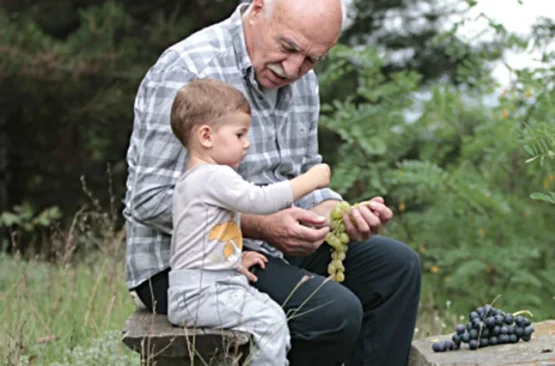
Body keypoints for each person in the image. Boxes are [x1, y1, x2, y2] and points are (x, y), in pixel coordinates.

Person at [122, 0, 422, 365]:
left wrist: (340, 214)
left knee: (398, 268)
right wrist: (262, 225)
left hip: (271, 248)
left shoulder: (302, 81)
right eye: (289, 47)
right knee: (333, 313)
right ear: (259, 8)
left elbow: (304, 172)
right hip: (189, 267)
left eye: (312, 59)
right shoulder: (188, 67)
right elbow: (147, 198)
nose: (295, 68)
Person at [166, 78, 332, 365]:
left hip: (199, 288)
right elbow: (260, 201)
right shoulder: (215, 176)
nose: (247, 144)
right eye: (240, 134)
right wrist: (309, 181)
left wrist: (230, 260)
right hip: (202, 294)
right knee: (271, 323)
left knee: (270, 313)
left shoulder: (191, 180)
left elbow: (196, 239)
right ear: (206, 136)